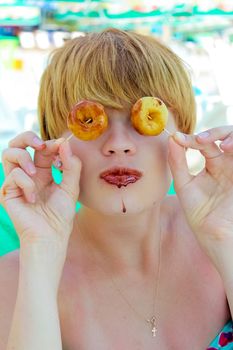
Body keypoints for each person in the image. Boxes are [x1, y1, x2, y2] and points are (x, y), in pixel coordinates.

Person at [0, 27, 232, 350]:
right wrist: (41, 251)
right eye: (91, 121)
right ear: (53, 144)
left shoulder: (225, 227)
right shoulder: (15, 281)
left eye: (143, 119)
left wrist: (225, 240)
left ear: (185, 133)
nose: (119, 145)